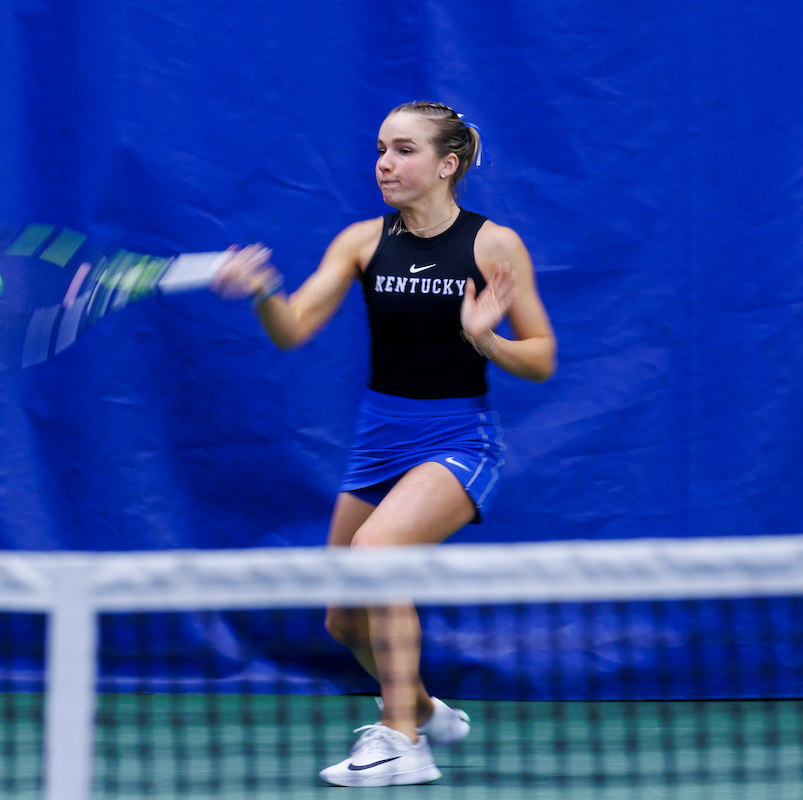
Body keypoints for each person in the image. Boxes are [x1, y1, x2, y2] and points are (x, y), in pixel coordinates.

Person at [210, 101, 557, 787]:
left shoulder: (493, 245)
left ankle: (403, 741)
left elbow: (542, 357)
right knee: (344, 621)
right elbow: (293, 328)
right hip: (379, 441)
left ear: (447, 164)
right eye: (380, 149)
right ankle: (423, 708)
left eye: (404, 150)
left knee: (377, 554)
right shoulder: (362, 242)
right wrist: (261, 293)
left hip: (459, 437)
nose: (385, 164)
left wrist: (487, 339)